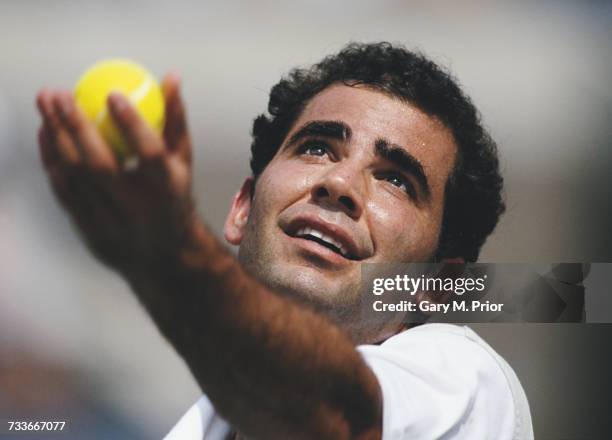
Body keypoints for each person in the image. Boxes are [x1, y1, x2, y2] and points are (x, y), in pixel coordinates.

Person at [36, 42, 533, 439]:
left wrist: (172, 254)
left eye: (396, 179)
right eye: (317, 147)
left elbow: (339, 420)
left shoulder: (468, 386)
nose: (339, 184)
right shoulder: (199, 422)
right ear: (242, 209)